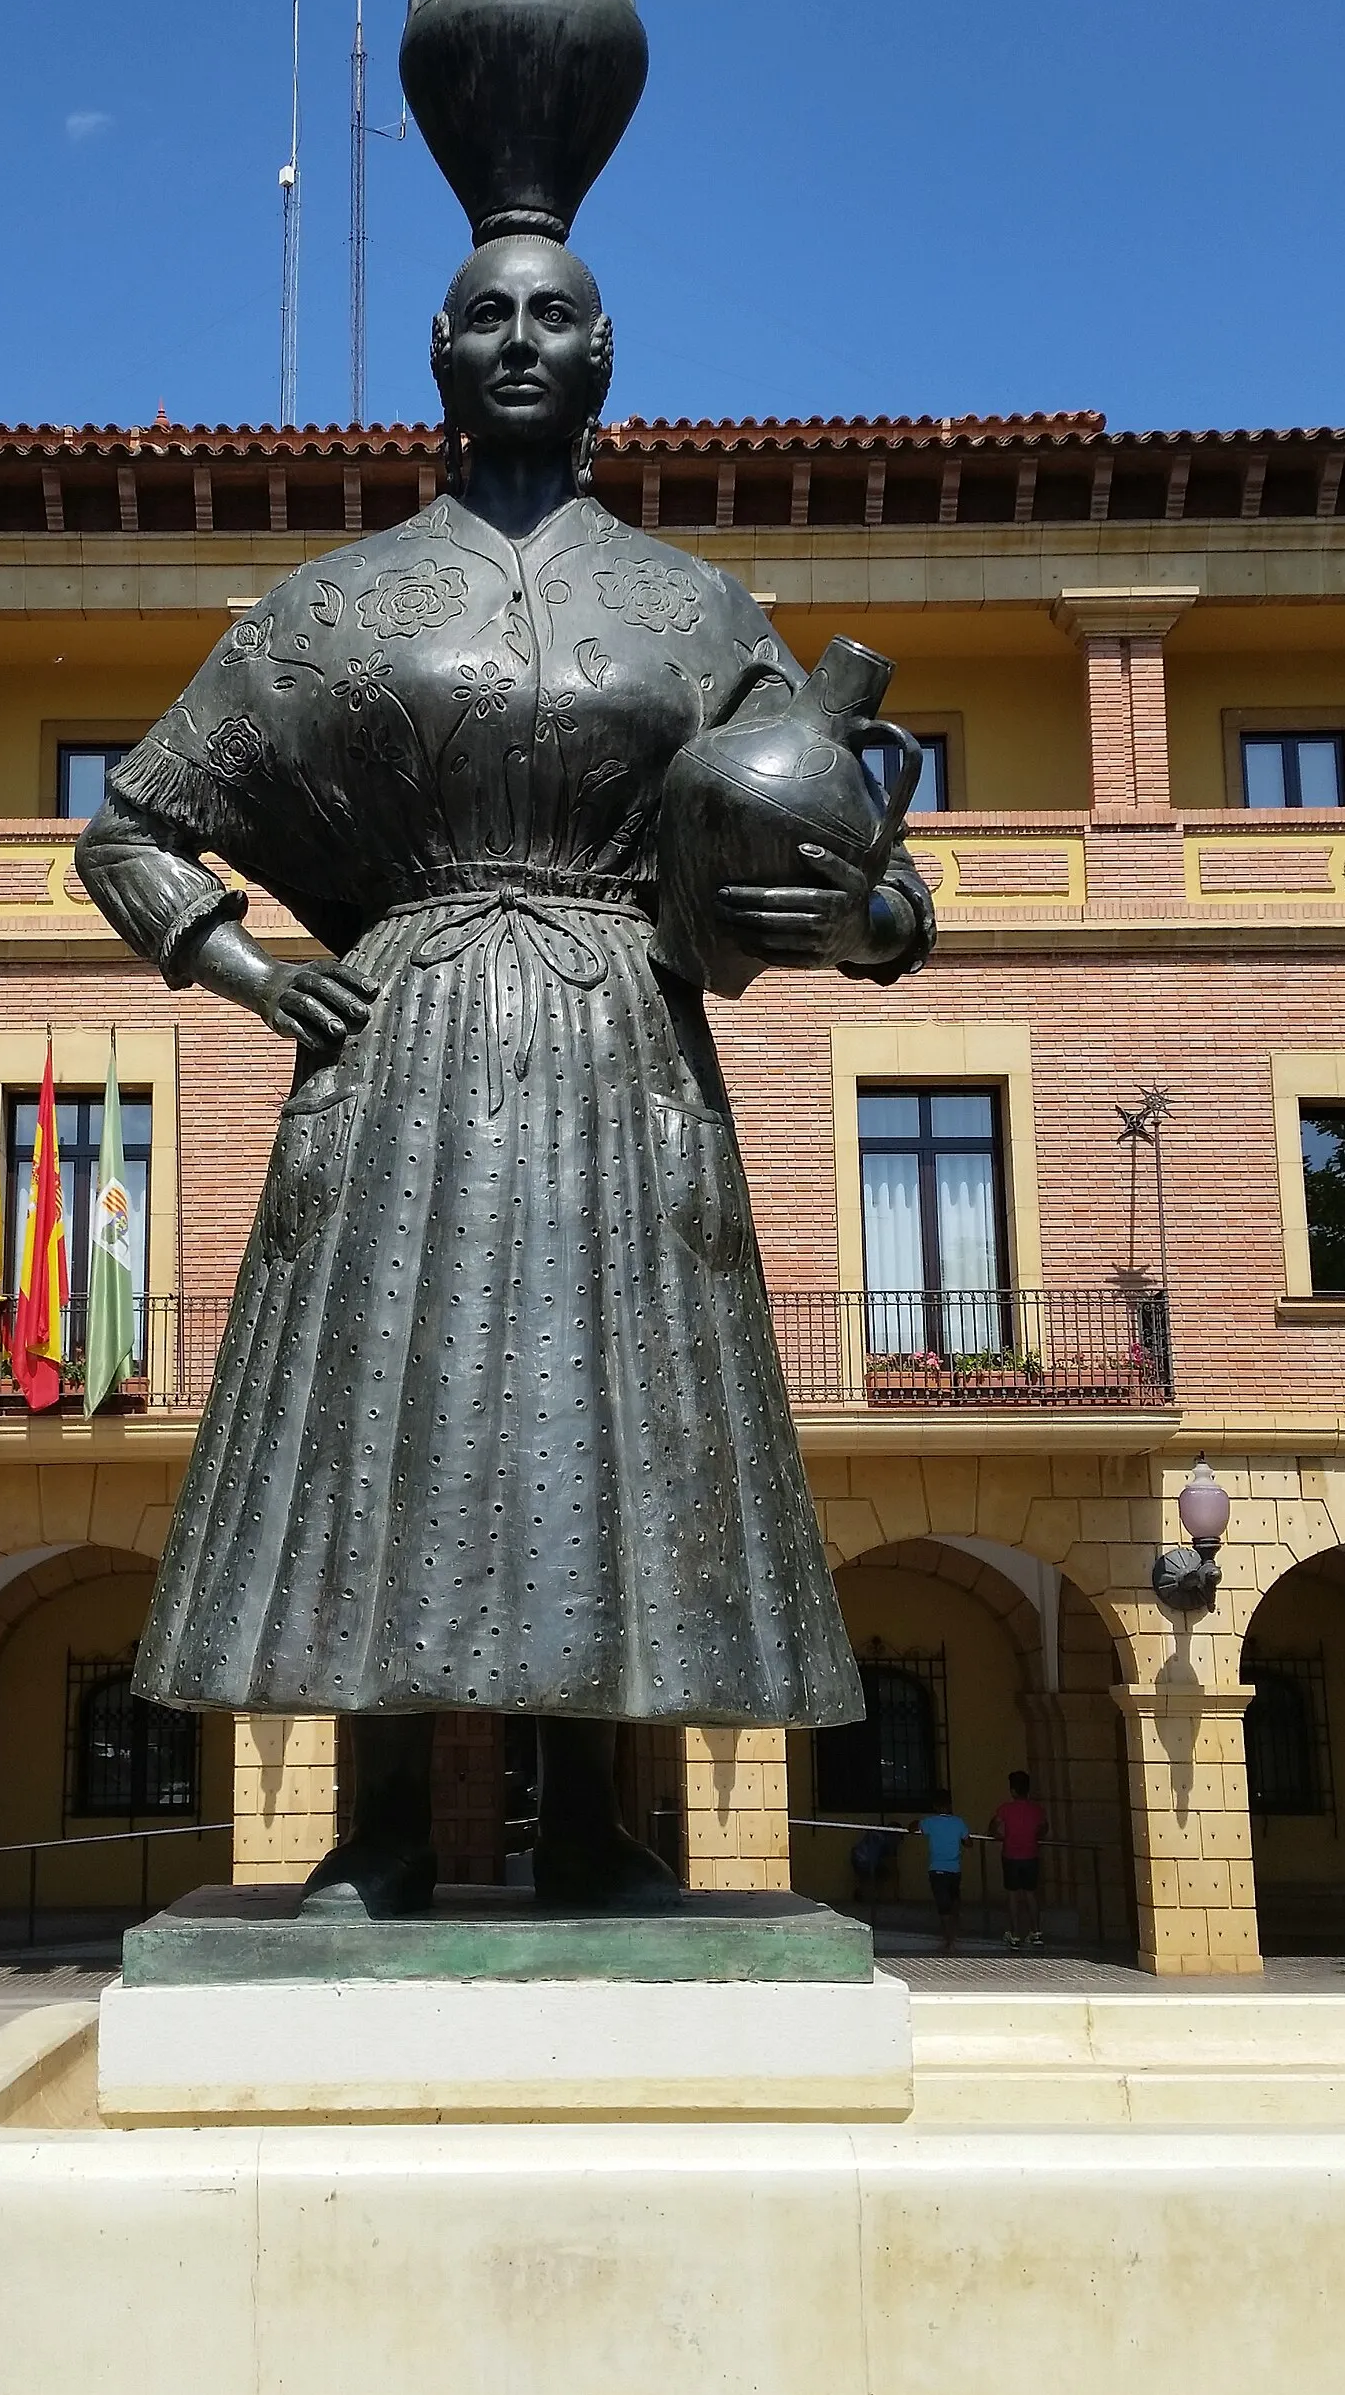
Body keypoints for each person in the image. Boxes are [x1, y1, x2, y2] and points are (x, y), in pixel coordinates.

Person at [77, 234, 934, 1914]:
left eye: (553, 315)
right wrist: (251, 971)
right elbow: (128, 825)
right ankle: (383, 1825)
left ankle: (601, 1823)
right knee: (392, 1416)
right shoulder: (332, 604)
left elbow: (859, 861)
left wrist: (871, 922)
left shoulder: (696, 609)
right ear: (438, 353)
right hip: (403, 1038)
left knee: (612, 1419)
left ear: (606, 353)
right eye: (488, 316)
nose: (520, 339)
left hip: (625, 1043)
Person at [989, 1767, 1050, 1949]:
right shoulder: (1036, 1809)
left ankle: (1014, 1933)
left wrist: (998, 1835)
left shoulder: (1005, 1809)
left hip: (1011, 1855)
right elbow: (1044, 1828)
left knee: (1013, 1895)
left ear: (1013, 1790)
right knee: (1031, 1893)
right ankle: (1036, 1932)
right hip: (1031, 1854)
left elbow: (994, 1826)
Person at [912, 1789, 971, 1955]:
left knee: (943, 1907)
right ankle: (954, 1937)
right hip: (954, 1870)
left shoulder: (930, 1822)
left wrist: (915, 1822)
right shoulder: (959, 1822)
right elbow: (968, 1842)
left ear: (935, 1806)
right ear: (950, 1804)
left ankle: (949, 1940)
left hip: (937, 1869)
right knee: (954, 1902)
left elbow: (914, 1828)